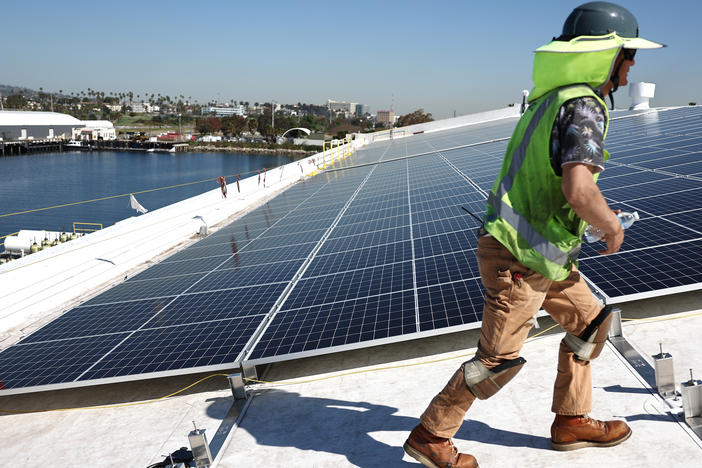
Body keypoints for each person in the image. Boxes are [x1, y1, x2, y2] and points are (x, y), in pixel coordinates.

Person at [403, 3, 664, 467]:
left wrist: (590, 215)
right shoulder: (584, 106)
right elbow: (578, 187)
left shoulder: (551, 101)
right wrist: (608, 223)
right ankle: (431, 435)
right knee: (495, 361)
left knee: (589, 327)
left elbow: (548, 186)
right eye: (628, 53)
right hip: (519, 259)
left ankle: (571, 420)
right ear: (607, 55)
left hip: (546, 257)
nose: (633, 65)